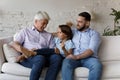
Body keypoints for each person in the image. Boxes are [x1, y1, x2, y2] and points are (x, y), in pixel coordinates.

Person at [11, 11, 62, 80]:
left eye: (46, 24)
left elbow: (53, 50)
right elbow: (14, 43)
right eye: (43, 23)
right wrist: (24, 50)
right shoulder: (25, 31)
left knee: (57, 57)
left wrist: (37, 51)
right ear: (36, 21)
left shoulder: (48, 35)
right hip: (28, 58)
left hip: (44, 56)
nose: (45, 26)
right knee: (40, 58)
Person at [62, 12, 102, 80]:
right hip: (74, 59)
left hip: (89, 58)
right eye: (77, 21)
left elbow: (91, 50)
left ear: (87, 23)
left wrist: (77, 57)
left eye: (80, 22)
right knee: (66, 62)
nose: (77, 24)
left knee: (96, 65)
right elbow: (60, 34)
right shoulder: (72, 32)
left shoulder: (94, 34)